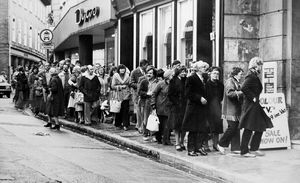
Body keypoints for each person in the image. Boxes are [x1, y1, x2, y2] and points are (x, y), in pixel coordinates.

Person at [239, 57, 273, 157]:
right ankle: (244, 151)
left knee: (260, 127)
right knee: (249, 128)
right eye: (260, 66)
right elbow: (244, 87)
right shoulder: (251, 76)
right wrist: (252, 97)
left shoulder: (254, 75)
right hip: (251, 106)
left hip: (255, 106)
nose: (261, 68)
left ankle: (254, 148)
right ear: (255, 66)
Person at [182, 61, 209, 156]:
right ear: (197, 69)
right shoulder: (191, 78)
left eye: (205, 67)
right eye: (202, 67)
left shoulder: (205, 78)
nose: (204, 69)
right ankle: (191, 149)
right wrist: (199, 98)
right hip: (194, 107)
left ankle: (199, 148)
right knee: (192, 129)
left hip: (202, 107)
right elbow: (188, 93)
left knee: (201, 128)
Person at [217, 67, 244, 154]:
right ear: (235, 74)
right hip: (230, 110)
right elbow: (230, 93)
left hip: (234, 109)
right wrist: (242, 92)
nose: (241, 76)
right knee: (232, 128)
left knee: (236, 127)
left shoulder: (234, 81)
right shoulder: (230, 81)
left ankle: (235, 147)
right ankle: (221, 144)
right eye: (240, 74)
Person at [168, 66, 188, 151]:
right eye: (182, 72)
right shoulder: (173, 81)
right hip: (176, 106)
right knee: (176, 125)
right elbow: (170, 94)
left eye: (185, 72)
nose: (183, 73)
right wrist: (176, 102)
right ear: (178, 72)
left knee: (184, 125)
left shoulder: (186, 80)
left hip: (185, 105)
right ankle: (177, 142)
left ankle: (182, 142)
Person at [151, 69, 172, 145]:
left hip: (169, 106)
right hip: (160, 106)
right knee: (160, 124)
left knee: (168, 124)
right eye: (172, 75)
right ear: (168, 77)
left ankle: (166, 139)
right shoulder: (161, 84)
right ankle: (159, 137)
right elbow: (154, 94)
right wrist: (153, 104)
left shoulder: (173, 84)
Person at [138, 66, 159, 140]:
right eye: (148, 73)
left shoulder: (157, 82)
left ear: (154, 74)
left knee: (154, 118)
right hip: (146, 101)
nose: (149, 74)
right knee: (145, 118)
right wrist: (147, 93)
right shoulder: (144, 81)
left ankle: (154, 134)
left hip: (155, 101)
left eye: (151, 73)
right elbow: (139, 92)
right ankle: (145, 134)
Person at [206, 67, 224, 151]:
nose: (216, 75)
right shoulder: (206, 84)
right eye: (214, 73)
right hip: (207, 107)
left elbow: (221, 97)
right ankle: (205, 145)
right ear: (209, 74)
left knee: (216, 127)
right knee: (207, 127)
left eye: (217, 74)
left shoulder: (220, 85)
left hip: (217, 107)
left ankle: (215, 144)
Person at [129, 59, 149, 133]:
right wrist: (139, 86)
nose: (147, 67)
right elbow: (131, 83)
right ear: (143, 65)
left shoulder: (147, 72)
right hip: (136, 93)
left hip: (145, 94)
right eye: (146, 65)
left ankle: (142, 125)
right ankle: (139, 125)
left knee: (144, 110)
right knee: (138, 110)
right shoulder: (134, 72)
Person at [111, 64, 131, 130]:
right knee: (118, 109)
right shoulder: (115, 76)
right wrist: (120, 87)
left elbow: (130, 84)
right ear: (118, 70)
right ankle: (118, 123)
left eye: (123, 69)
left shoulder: (127, 76)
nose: (122, 70)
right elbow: (112, 86)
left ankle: (125, 124)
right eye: (121, 69)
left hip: (126, 94)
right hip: (118, 94)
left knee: (125, 109)